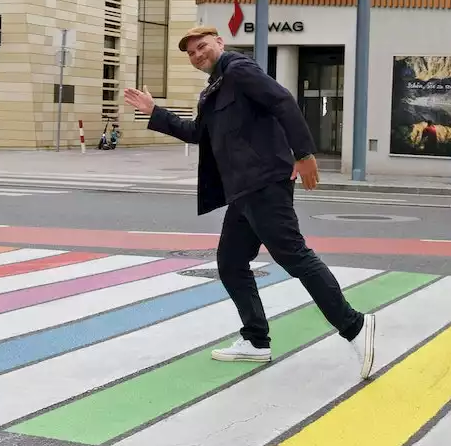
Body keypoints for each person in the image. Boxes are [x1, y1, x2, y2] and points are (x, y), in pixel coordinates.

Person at [123, 26, 377, 379]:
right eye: (192, 52)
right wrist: (155, 111)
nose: (198, 54)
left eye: (202, 46)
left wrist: (303, 153)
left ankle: (355, 326)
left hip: (265, 183)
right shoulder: (212, 91)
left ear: (219, 43)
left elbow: (282, 100)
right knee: (230, 262)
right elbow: (198, 134)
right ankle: (256, 340)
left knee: (295, 257)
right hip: (243, 191)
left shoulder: (238, 69)